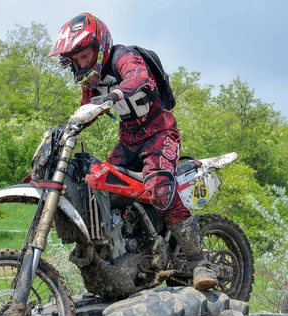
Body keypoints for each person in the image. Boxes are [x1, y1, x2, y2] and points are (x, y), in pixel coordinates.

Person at [49, 12, 217, 290]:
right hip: (128, 140)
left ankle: (200, 262)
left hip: (159, 132)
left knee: (159, 186)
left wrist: (112, 96)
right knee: (98, 183)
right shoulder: (92, 83)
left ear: (99, 46)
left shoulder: (122, 57)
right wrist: (68, 128)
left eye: (84, 55)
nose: (81, 63)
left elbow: (138, 77)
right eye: (76, 59)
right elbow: (86, 111)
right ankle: (131, 249)